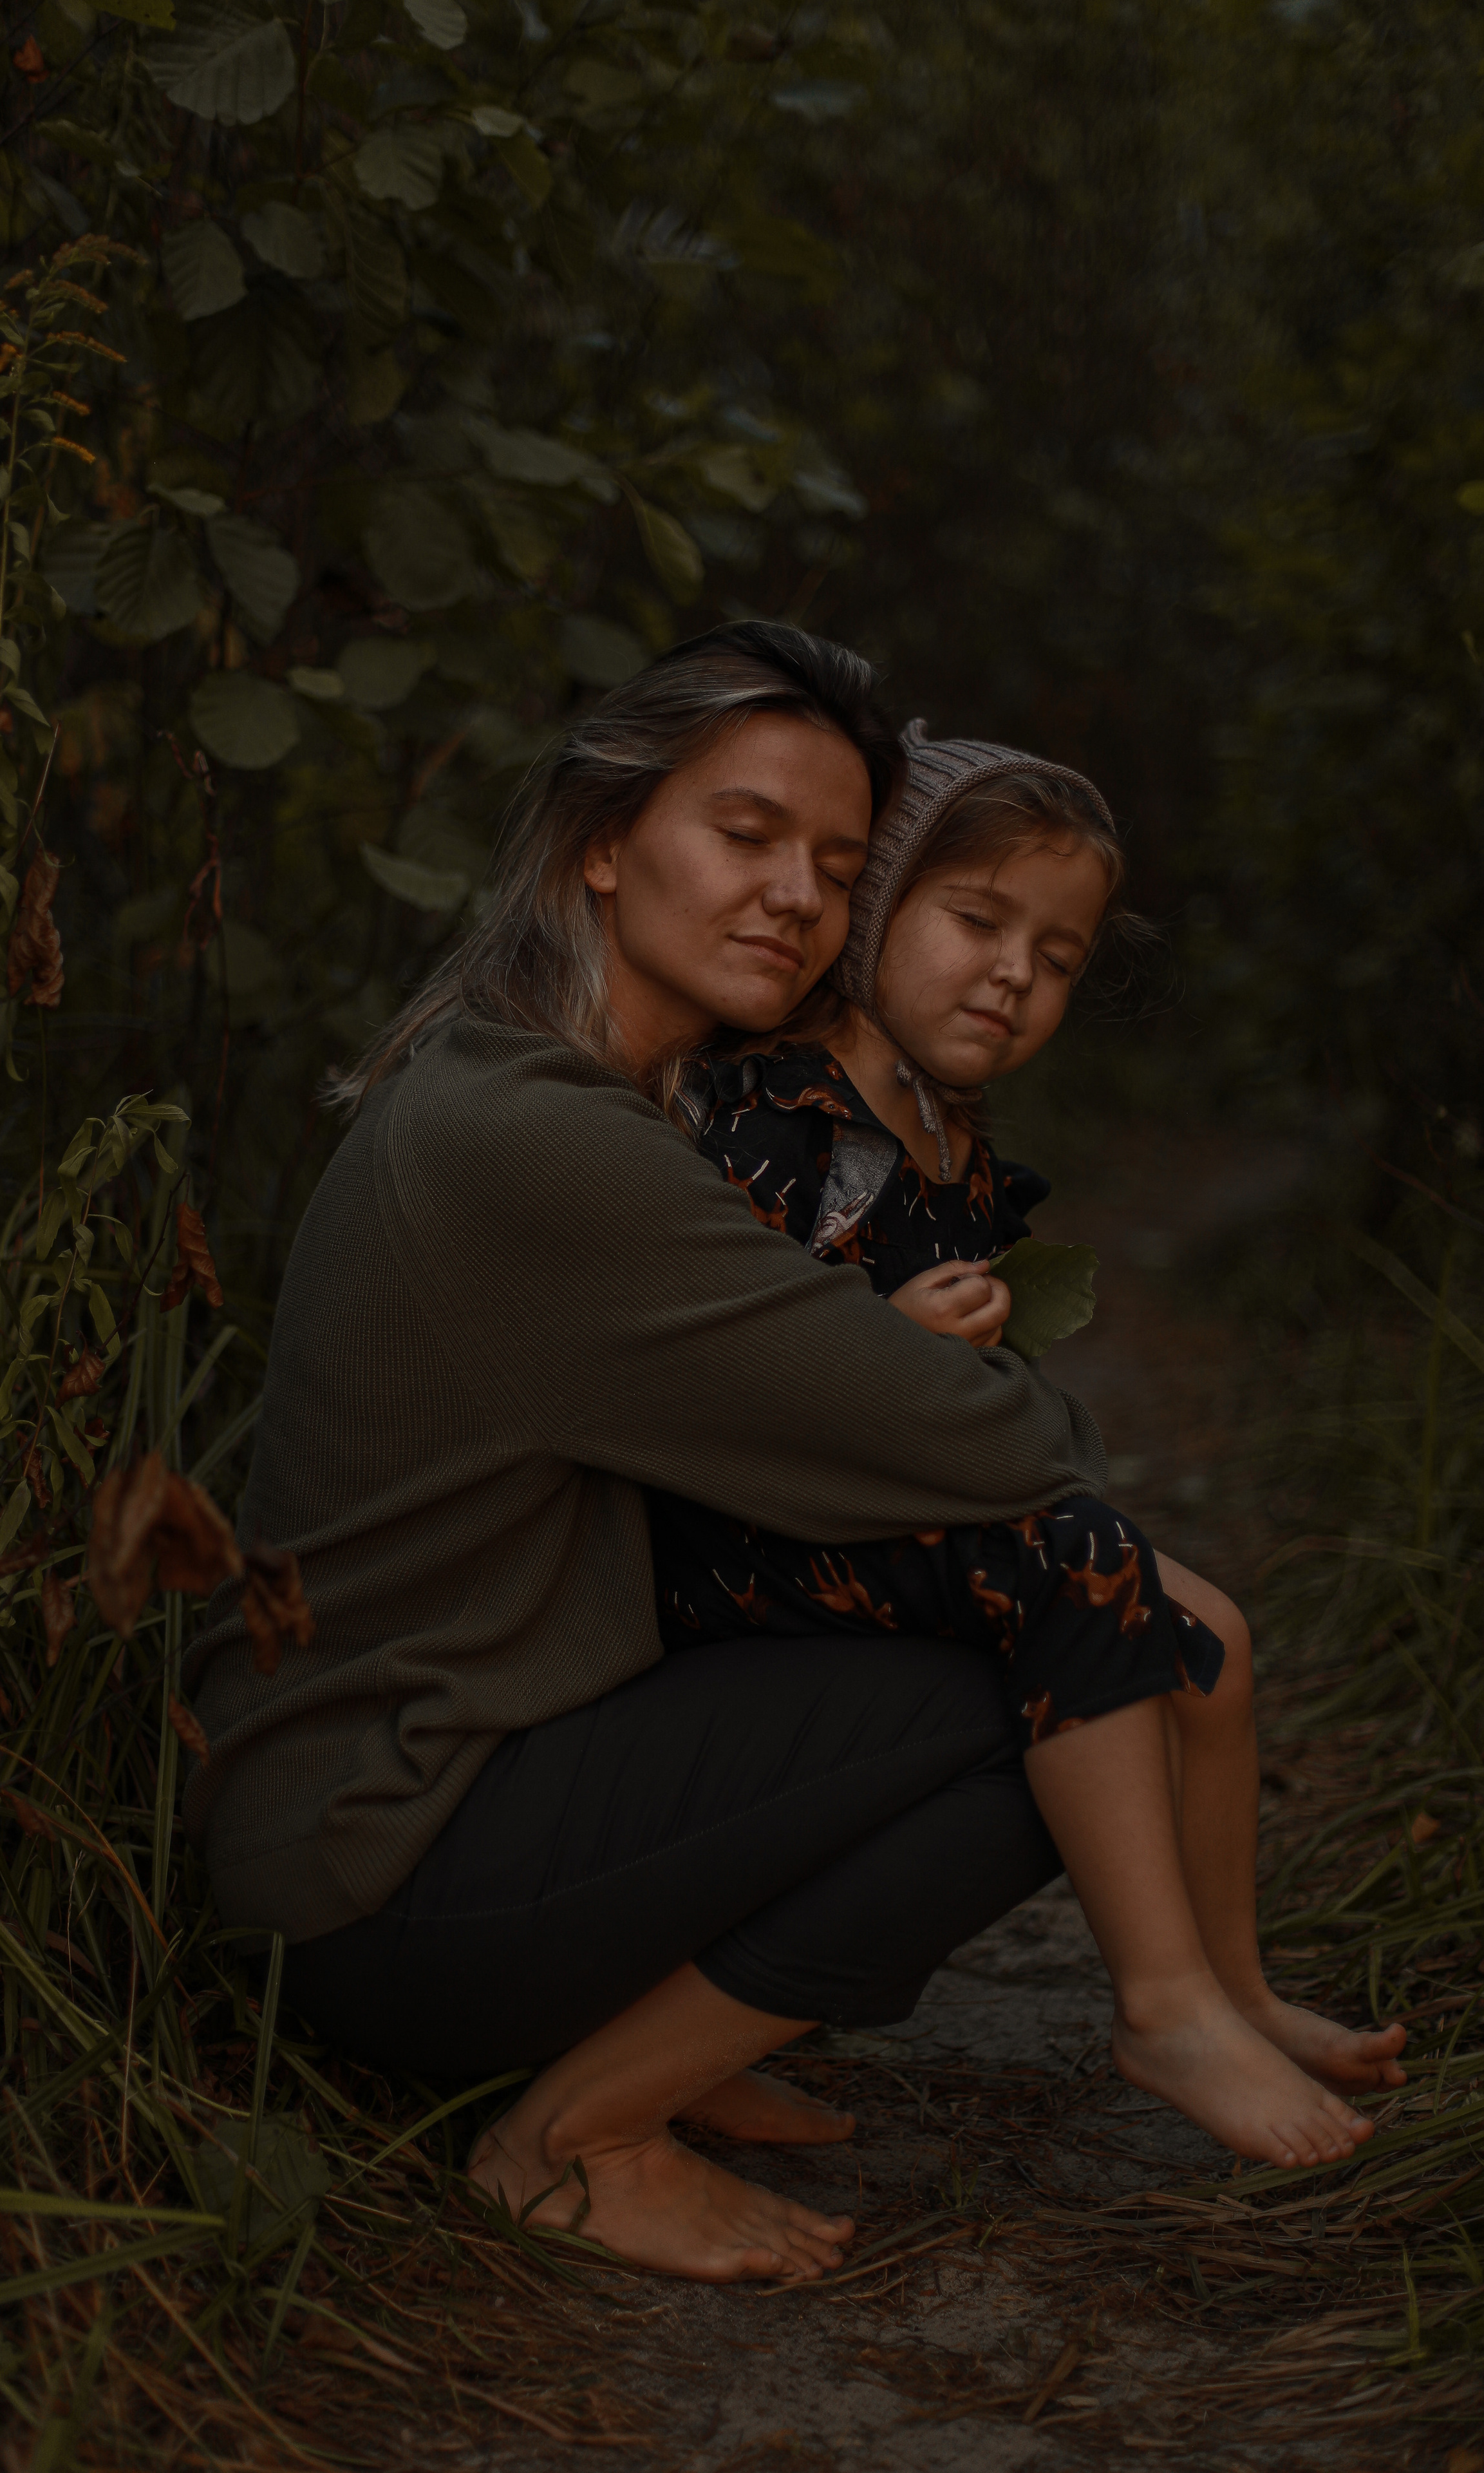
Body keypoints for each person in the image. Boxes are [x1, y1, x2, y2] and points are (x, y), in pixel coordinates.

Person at [176, 626, 1286, 2289]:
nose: (795, 897)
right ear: (602, 840)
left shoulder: (585, 1094)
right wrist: (960, 1395)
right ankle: (576, 2136)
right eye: (746, 833)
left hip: (434, 1797)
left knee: (994, 1621)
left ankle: (656, 2029)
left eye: (837, 868)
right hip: (381, 1874)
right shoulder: (539, 1144)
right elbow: (984, 1442)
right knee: (1058, 1675)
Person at [648, 724, 1408, 2173]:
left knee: (1216, 1643)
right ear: (874, 908)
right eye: (977, 922)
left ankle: (1235, 1986)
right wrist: (888, 1340)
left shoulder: (949, 1136)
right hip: (747, 1539)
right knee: (1081, 1559)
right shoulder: (780, 1113)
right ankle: (1160, 2006)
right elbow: (722, 1361)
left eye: (1056, 958)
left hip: (879, 1514)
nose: (1013, 975)